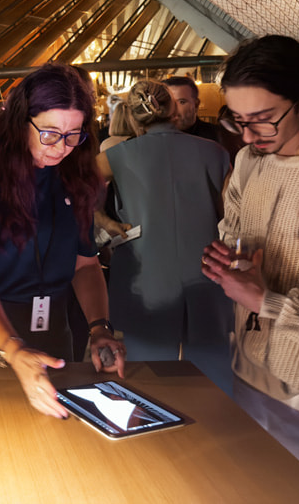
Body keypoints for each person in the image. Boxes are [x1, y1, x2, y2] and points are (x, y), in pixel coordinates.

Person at [200, 35, 299, 494]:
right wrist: (229, 262)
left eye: (262, 120)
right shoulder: (248, 161)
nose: (246, 136)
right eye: (238, 120)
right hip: (245, 367)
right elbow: (234, 228)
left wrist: (267, 300)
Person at [0, 63, 126, 418]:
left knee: (55, 426)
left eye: (74, 134)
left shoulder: (75, 173)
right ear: (20, 121)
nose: (62, 147)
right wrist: (11, 348)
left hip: (53, 319)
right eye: (50, 133)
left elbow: (85, 264)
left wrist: (100, 328)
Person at [97, 80, 231, 392]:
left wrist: (104, 222)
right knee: (212, 365)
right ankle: (220, 428)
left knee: (147, 368)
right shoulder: (216, 152)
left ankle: (152, 427)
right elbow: (233, 214)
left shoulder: (116, 156)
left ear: (134, 115)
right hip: (206, 266)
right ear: (172, 110)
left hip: (145, 270)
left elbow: (75, 190)